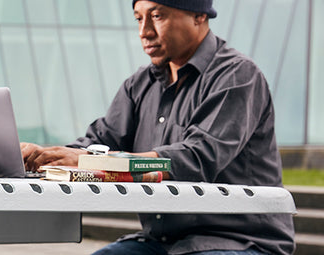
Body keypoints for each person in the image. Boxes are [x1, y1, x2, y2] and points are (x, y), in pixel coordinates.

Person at [20, 0, 295, 254]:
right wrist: (44, 156)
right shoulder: (140, 85)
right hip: (163, 242)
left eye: (157, 16)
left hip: (239, 241)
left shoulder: (237, 76)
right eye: (138, 18)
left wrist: (88, 161)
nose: (144, 31)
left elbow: (197, 158)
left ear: (199, 15)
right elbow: (100, 141)